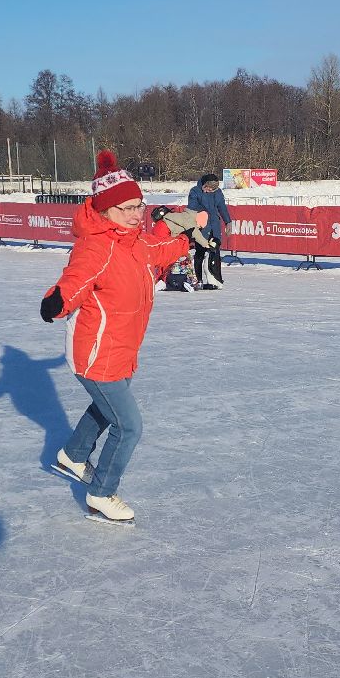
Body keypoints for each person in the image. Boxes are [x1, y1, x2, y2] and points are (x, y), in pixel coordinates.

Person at [38, 150, 202, 524]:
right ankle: (100, 493)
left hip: (123, 348)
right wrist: (56, 301)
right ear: (105, 210)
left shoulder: (136, 242)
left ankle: (74, 455)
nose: (135, 214)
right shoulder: (96, 246)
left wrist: (187, 239)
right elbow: (75, 281)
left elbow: (160, 249)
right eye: (126, 208)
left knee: (106, 409)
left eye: (139, 207)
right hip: (96, 354)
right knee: (129, 426)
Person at [186, 173, 231, 288]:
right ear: (204, 185)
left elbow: (222, 207)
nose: (209, 191)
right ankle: (198, 279)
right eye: (208, 189)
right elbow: (192, 207)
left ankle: (216, 279)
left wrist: (228, 221)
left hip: (214, 226)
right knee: (200, 253)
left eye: (212, 189)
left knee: (215, 253)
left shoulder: (218, 192)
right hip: (202, 227)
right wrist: (203, 213)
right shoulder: (195, 191)